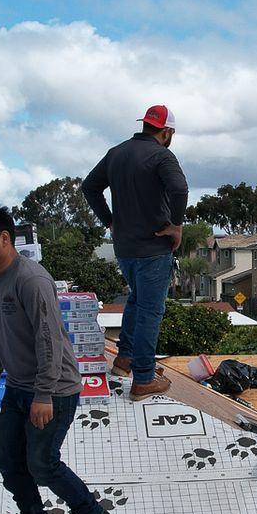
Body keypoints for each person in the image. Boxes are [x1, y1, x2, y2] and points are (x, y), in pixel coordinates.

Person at [0, 206, 116, 514]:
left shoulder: (31, 280)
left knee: (42, 464)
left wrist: (44, 393)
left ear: (4, 238)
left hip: (55, 389)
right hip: (19, 387)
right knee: (6, 458)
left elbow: (48, 339)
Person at [84, 104, 189, 402]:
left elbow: (89, 187)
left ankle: (124, 359)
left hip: (125, 248)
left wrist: (110, 221)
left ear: (145, 125)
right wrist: (176, 226)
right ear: (167, 131)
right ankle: (143, 379)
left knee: (136, 300)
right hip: (153, 248)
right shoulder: (161, 155)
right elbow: (180, 189)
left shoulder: (117, 152)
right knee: (150, 312)